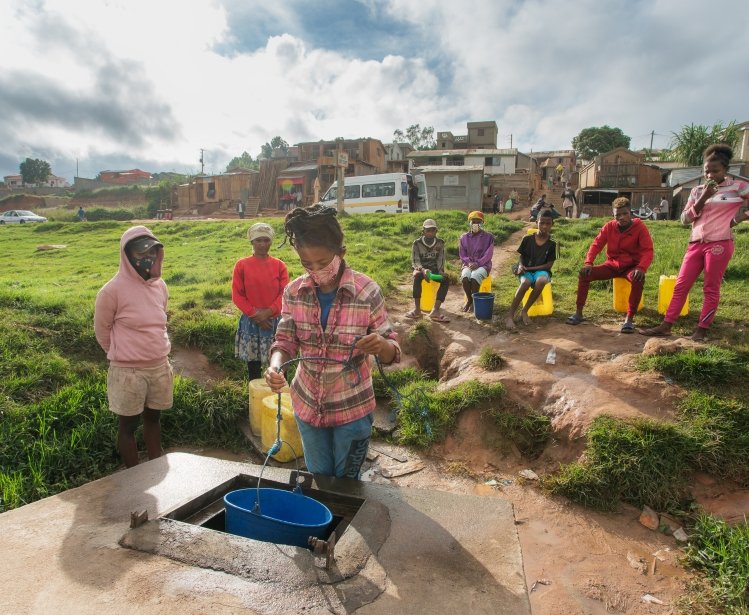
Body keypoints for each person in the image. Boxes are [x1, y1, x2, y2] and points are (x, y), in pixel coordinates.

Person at [265, 205, 400, 479]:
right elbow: (285, 339)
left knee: (347, 484)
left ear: (341, 253)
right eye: (306, 264)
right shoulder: (293, 292)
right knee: (320, 480)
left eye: (323, 263)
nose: (315, 271)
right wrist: (276, 367)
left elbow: (392, 352)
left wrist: (381, 346)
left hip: (352, 408)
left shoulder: (366, 292)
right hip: (307, 406)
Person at [641, 144, 749, 341]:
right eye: (707, 171)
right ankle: (666, 325)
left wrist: (740, 218)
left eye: (715, 171)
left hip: (720, 243)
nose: (710, 175)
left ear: (725, 170)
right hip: (696, 243)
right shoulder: (697, 191)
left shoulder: (738, 187)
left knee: (710, 288)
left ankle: (702, 329)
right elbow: (684, 219)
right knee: (681, 285)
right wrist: (704, 198)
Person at [94, 226, 172, 468]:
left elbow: (161, 319)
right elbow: (102, 331)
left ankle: (154, 465)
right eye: (140, 255)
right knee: (128, 426)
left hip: (159, 366)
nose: (147, 259)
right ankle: (133, 475)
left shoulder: (160, 286)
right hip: (128, 372)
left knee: (154, 419)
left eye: (152, 253)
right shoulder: (111, 291)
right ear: (127, 256)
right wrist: (123, 354)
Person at [567, 196, 653, 333]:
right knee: (584, 274)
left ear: (630, 212)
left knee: (638, 278)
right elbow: (596, 245)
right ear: (613, 215)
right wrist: (588, 263)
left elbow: (647, 250)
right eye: (617, 215)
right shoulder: (609, 227)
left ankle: (629, 319)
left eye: (625, 213)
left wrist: (641, 267)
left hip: (631, 267)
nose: (621, 217)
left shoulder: (640, 227)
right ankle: (578, 313)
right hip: (612, 265)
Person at [232, 222, 289, 380]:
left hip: (275, 322)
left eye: (266, 240)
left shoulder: (279, 266)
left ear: (271, 241)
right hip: (252, 321)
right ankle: (255, 398)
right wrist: (256, 315)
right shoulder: (241, 265)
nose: (263, 244)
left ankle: (280, 398)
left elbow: (284, 294)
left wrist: (269, 312)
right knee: (254, 365)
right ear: (251, 242)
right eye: (258, 240)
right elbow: (237, 295)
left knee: (279, 365)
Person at [505, 211, 557, 330]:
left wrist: (531, 268)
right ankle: (510, 316)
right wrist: (521, 266)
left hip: (541, 271)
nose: (544, 226)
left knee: (542, 280)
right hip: (526, 270)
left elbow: (549, 265)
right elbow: (521, 256)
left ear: (552, 224)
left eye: (548, 223)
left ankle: (524, 311)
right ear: (536, 222)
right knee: (525, 283)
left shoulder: (554, 244)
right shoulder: (527, 239)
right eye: (541, 223)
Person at [406, 218, 450, 323]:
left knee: (446, 279)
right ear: (423, 231)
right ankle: (417, 310)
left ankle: (435, 311)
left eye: (433, 230)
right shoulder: (417, 243)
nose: (430, 232)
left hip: (434, 270)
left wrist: (440, 271)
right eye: (427, 230)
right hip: (421, 269)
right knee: (416, 276)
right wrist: (422, 270)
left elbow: (440, 259)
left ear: (436, 231)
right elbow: (415, 260)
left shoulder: (440, 243)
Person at [459, 211, 495, 312]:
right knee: (465, 277)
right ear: (469, 223)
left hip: (483, 264)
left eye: (478, 221)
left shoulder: (489, 237)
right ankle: (470, 300)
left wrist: (478, 263)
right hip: (468, 264)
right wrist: (469, 262)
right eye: (473, 221)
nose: (475, 224)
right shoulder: (464, 237)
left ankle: (475, 302)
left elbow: (488, 254)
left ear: (482, 223)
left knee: (475, 277)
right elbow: (462, 254)